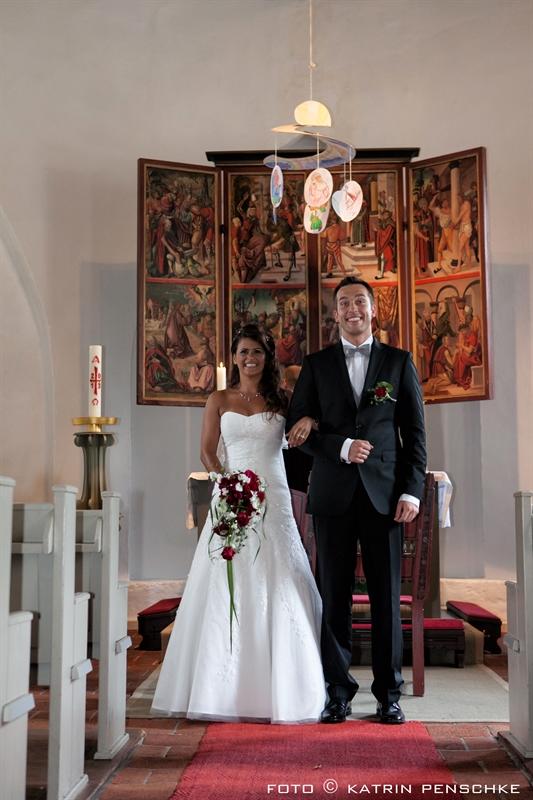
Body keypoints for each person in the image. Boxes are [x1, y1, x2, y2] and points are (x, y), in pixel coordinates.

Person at [152, 324, 326, 723]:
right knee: (229, 575)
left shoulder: (282, 399)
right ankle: (223, 684)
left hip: (275, 495)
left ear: (268, 358)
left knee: (278, 573)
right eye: (244, 352)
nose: (250, 359)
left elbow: (308, 425)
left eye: (258, 353)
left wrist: (310, 422)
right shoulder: (218, 398)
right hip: (231, 494)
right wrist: (226, 483)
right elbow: (207, 452)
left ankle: (287, 683)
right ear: (233, 356)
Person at [286, 277, 426, 725]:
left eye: (359, 302)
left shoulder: (399, 362)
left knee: (386, 598)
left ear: (372, 309)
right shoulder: (316, 364)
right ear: (334, 313)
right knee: (335, 597)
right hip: (333, 495)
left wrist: (411, 489)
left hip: (385, 495)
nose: (352, 309)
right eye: (343, 303)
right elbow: (296, 433)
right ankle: (337, 692)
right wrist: (339, 447)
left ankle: (389, 694)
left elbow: (415, 435)